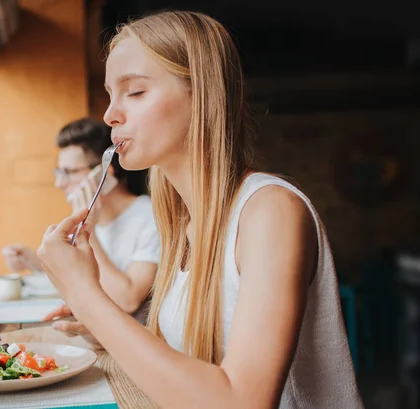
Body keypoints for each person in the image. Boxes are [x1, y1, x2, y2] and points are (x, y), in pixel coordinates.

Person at [36, 10, 364, 408]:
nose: (109, 115)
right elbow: (193, 356)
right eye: (110, 94)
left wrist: (86, 296)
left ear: (202, 94)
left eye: (135, 92)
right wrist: (106, 327)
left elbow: (242, 401)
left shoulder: (271, 212)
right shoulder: (181, 224)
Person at [2, 118, 159, 325]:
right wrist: (37, 264)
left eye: (68, 172)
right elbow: (81, 279)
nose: (59, 183)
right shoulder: (95, 217)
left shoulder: (149, 217)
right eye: (58, 172)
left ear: (103, 174)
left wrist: (88, 231)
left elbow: (127, 300)